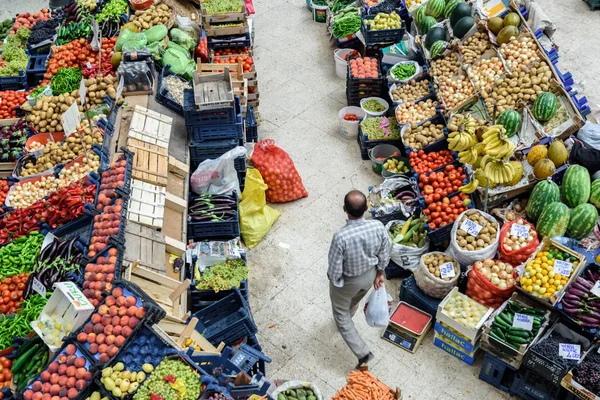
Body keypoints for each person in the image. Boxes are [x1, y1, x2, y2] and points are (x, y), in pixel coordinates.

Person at [328, 190, 391, 369]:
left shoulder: (341, 236)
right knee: (355, 299)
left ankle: (363, 352)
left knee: (340, 315)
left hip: (349, 281)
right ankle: (350, 314)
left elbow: (334, 269)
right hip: (369, 277)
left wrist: (336, 284)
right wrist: (380, 273)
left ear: (344, 209)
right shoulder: (378, 226)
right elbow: (385, 251)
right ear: (367, 208)